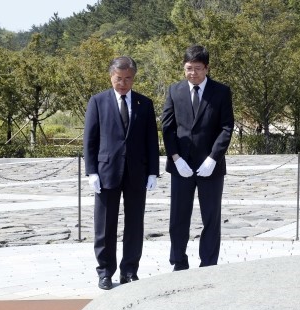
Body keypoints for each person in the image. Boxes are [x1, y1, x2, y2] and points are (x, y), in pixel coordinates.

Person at [83, 56, 160, 290]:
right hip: (107, 172)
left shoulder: (144, 103)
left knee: (134, 225)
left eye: (128, 78)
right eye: (119, 78)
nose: (123, 83)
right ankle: (105, 272)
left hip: (137, 172)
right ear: (111, 77)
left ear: (134, 78)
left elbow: (151, 140)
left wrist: (153, 172)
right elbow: (90, 140)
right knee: (105, 226)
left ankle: (129, 271)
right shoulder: (98, 102)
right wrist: (91, 171)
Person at [162, 45, 234, 271]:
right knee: (178, 217)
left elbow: (226, 127)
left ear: (207, 68)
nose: (193, 73)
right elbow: (167, 128)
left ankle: (208, 263)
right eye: (188, 68)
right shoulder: (174, 91)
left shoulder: (221, 91)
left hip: (210, 166)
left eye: (198, 68)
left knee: (211, 217)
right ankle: (178, 261)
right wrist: (175, 157)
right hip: (181, 165)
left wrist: (213, 158)